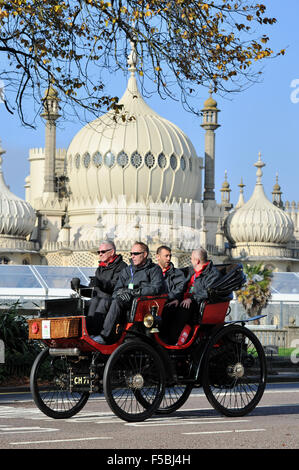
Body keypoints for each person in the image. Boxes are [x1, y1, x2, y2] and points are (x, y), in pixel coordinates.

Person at [91, 241, 165, 344]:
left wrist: (134, 292)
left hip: (142, 303)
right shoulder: (127, 270)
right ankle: (94, 334)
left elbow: (156, 288)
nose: (132, 256)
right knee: (105, 301)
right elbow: (116, 290)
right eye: (131, 254)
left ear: (144, 254)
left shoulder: (154, 269)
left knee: (116, 302)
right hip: (126, 300)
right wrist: (122, 292)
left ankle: (105, 336)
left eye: (136, 254)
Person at [71, 240, 127, 335]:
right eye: (99, 252)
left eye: (103, 252)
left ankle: (96, 334)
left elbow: (115, 286)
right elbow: (92, 291)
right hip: (98, 298)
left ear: (112, 252)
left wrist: (100, 284)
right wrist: (77, 287)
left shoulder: (122, 267)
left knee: (100, 301)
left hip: (113, 299)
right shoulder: (100, 269)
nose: (100, 254)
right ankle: (80, 332)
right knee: (78, 304)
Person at [155, 245, 186, 344]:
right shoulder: (151, 272)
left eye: (170, 256)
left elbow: (179, 289)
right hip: (153, 303)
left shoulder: (177, 273)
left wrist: (167, 298)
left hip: (168, 303)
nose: (169, 258)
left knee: (167, 311)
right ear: (158, 257)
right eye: (166, 256)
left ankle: (165, 341)